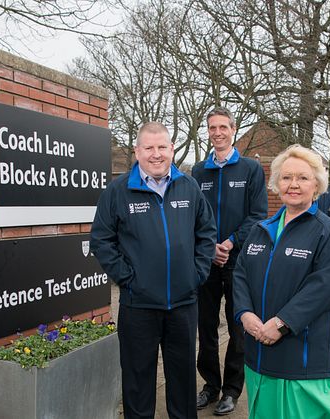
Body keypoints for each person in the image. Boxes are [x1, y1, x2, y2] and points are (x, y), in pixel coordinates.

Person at [90, 122, 217, 419]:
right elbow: (101, 239)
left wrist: (196, 274)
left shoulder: (189, 187)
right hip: (139, 306)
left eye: (162, 147)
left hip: (183, 306)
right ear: (137, 151)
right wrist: (128, 279)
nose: (156, 154)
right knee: (137, 383)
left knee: (184, 382)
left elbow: (207, 233)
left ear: (172, 149)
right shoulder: (118, 190)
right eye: (149, 148)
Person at [232, 144, 330, 419]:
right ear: (276, 183)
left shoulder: (329, 232)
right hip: (259, 354)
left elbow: (326, 287)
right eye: (286, 177)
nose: (293, 185)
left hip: (302, 358)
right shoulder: (260, 230)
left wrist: (282, 323)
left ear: (316, 184)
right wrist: (244, 313)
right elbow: (240, 274)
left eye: (302, 178)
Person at [191, 107, 268, 415]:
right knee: (205, 326)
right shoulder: (198, 171)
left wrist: (231, 241)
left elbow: (258, 215)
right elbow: (193, 215)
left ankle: (232, 390)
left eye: (223, 126)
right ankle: (210, 385)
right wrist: (210, 246)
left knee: (239, 327)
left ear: (233, 129)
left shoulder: (250, 169)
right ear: (207, 132)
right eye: (212, 127)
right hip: (206, 261)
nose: (218, 132)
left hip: (239, 260)